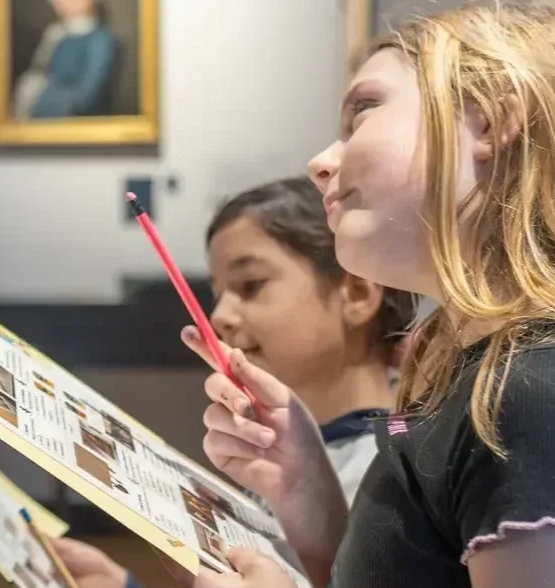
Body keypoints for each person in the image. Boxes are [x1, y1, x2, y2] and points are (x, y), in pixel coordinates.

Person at [192, 2, 555, 587]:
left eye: (363, 113)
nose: (321, 164)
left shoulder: (547, 393)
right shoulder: (491, 378)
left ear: (488, 121)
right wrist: (305, 484)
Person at [51, 177, 417, 588]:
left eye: (251, 285)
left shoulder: (397, 476)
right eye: (218, 294)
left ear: (357, 294)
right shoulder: (285, 458)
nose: (219, 317)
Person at [12, 0, 119, 119]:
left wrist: (40, 97)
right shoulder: (54, 34)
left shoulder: (100, 41)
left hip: (74, 120)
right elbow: (40, 70)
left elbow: (87, 95)